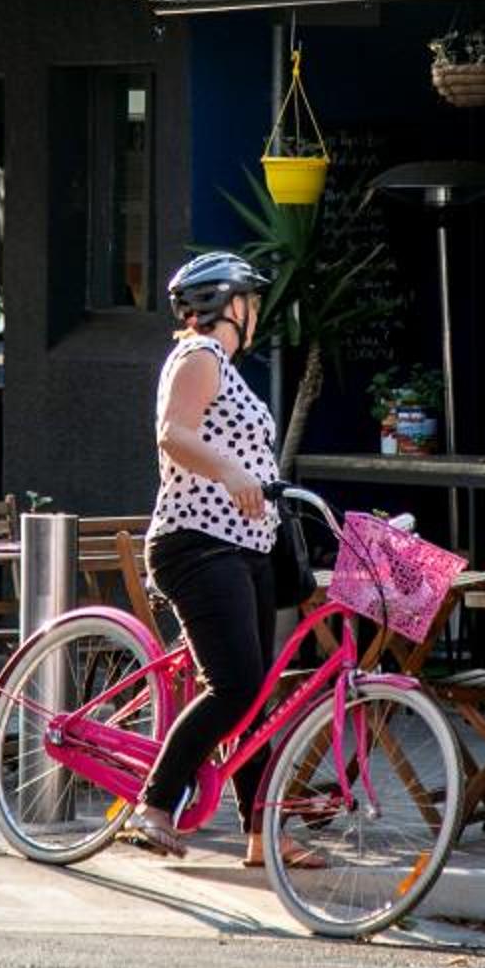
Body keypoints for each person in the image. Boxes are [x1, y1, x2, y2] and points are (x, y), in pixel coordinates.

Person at [131, 250, 305, 867]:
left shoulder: (224, 366)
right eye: (250, 301)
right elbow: (173, 432)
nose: (255, 311)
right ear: (229, 305)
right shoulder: (200, 355)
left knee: (251, 696)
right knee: (233, 686)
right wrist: (231, 471)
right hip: (199, 542)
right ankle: (155, 804)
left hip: (245, 546)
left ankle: (262, 834)